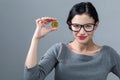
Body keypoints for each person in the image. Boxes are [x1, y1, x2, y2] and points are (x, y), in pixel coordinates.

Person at [24, 2, 120, 80]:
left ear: (96, 25)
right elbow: (31, 78)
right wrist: (35, 38)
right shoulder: (59, 50)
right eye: (76, 26)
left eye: (87, 26)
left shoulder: (108, 54)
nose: (82, 32)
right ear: (70, 25)